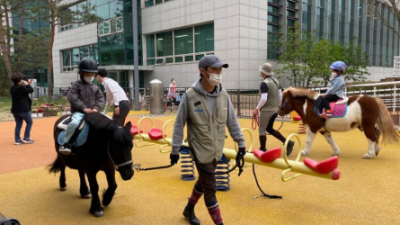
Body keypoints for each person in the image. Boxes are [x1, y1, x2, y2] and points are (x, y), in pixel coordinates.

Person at [170, 55, 246, 225]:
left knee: (204, 182)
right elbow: (178, 124)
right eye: (215, 70)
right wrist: (175, 149)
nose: (219, 73)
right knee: (211, 189)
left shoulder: (223, 95)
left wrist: (241, 144)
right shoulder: (190, 96)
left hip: (216, 149)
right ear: (203, 72)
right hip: (199, 148)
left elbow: (232, 121)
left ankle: (189, 209)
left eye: (220, 70)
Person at [59, 58, 105, 155]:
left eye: (92, 75)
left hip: (94, 113)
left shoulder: (95, 87)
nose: (90, 76)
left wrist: (96, 108)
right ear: (81, 73)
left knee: (109, 121)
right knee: (74, 123)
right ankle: (65, 143)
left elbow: (101, 99)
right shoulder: (76, 85)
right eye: (88, 74)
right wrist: (84, 108)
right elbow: (73, 98)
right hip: (79, 112)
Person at [253, 63, 294, 155]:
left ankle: (262, 149)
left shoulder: (264, 83)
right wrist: (279, 106)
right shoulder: (276, 81)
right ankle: (288, 142)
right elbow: (280, 96)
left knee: (262, 130)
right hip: (274, 110)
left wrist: (256, 109)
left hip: (267, 111)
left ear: (263, 73)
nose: (260, 73)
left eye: (261, 72)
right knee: (269, 129)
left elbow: (264, 98)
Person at [10, 73, 34, 145]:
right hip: (23, 109)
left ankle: (17, 140)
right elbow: (31, 90)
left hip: (15, 109)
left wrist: (24, 85)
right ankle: (26, 137)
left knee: (18, 125)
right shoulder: (21, 88)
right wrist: (27, 84)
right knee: (29, 122)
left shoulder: (12, 88)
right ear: (19, 80)